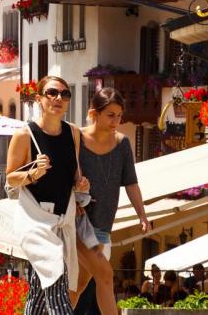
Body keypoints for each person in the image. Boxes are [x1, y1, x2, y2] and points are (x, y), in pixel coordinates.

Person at [6, 75, 87, 315]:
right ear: (40, 99)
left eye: (64, 94)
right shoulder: (25, 135)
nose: (58, 98)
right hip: (35, 220)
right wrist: (33, 172)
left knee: (39, 294)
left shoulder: (73, 134)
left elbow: (72, 175)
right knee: (56, 277)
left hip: (63, 219)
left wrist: (80, 184)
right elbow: (10, 177)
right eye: (52, 93)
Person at [76, 88, 150, 315]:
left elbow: (131, 183)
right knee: (106, 277)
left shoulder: (123, 144)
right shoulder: (76, 139)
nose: (116, 121)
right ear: (93, 113)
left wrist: (142, 215)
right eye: (110, 115)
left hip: (103, 227)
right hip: (78, 223)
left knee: (78, 287)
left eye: (119, 115)